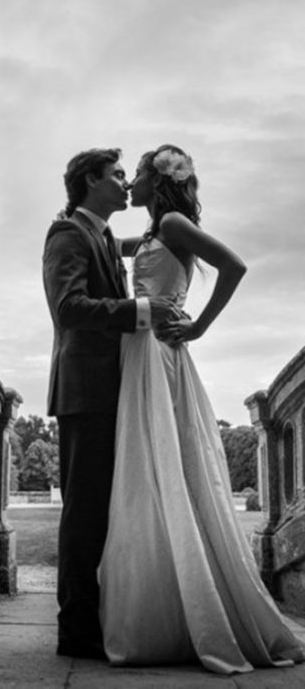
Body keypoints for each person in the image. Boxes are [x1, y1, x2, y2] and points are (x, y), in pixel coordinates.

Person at [98, 144, 305, 674]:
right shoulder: (148, 231)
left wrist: (200, 326)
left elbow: (233, 266)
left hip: (160, 351)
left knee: (167, 460)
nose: (131, 182)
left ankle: (200, 611)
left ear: (157, 180)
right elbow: (100, 241)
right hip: (139, 350)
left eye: (137, 173)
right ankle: (168, 603)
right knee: (152, 466)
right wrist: (74, 215)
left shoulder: (170, 221)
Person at [42, 147, 180, 660]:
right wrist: (143, 309)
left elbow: (151, 242)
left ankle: (97, 618)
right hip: (85, 392)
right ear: (90, 181)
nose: (126, 182)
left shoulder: (100, 234)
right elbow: (69, 308)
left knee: (104, 511)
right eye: (118, 174)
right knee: (84, 515)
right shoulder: (68, 234)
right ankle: (75, 633)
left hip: (111, 390)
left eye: (129, 175)